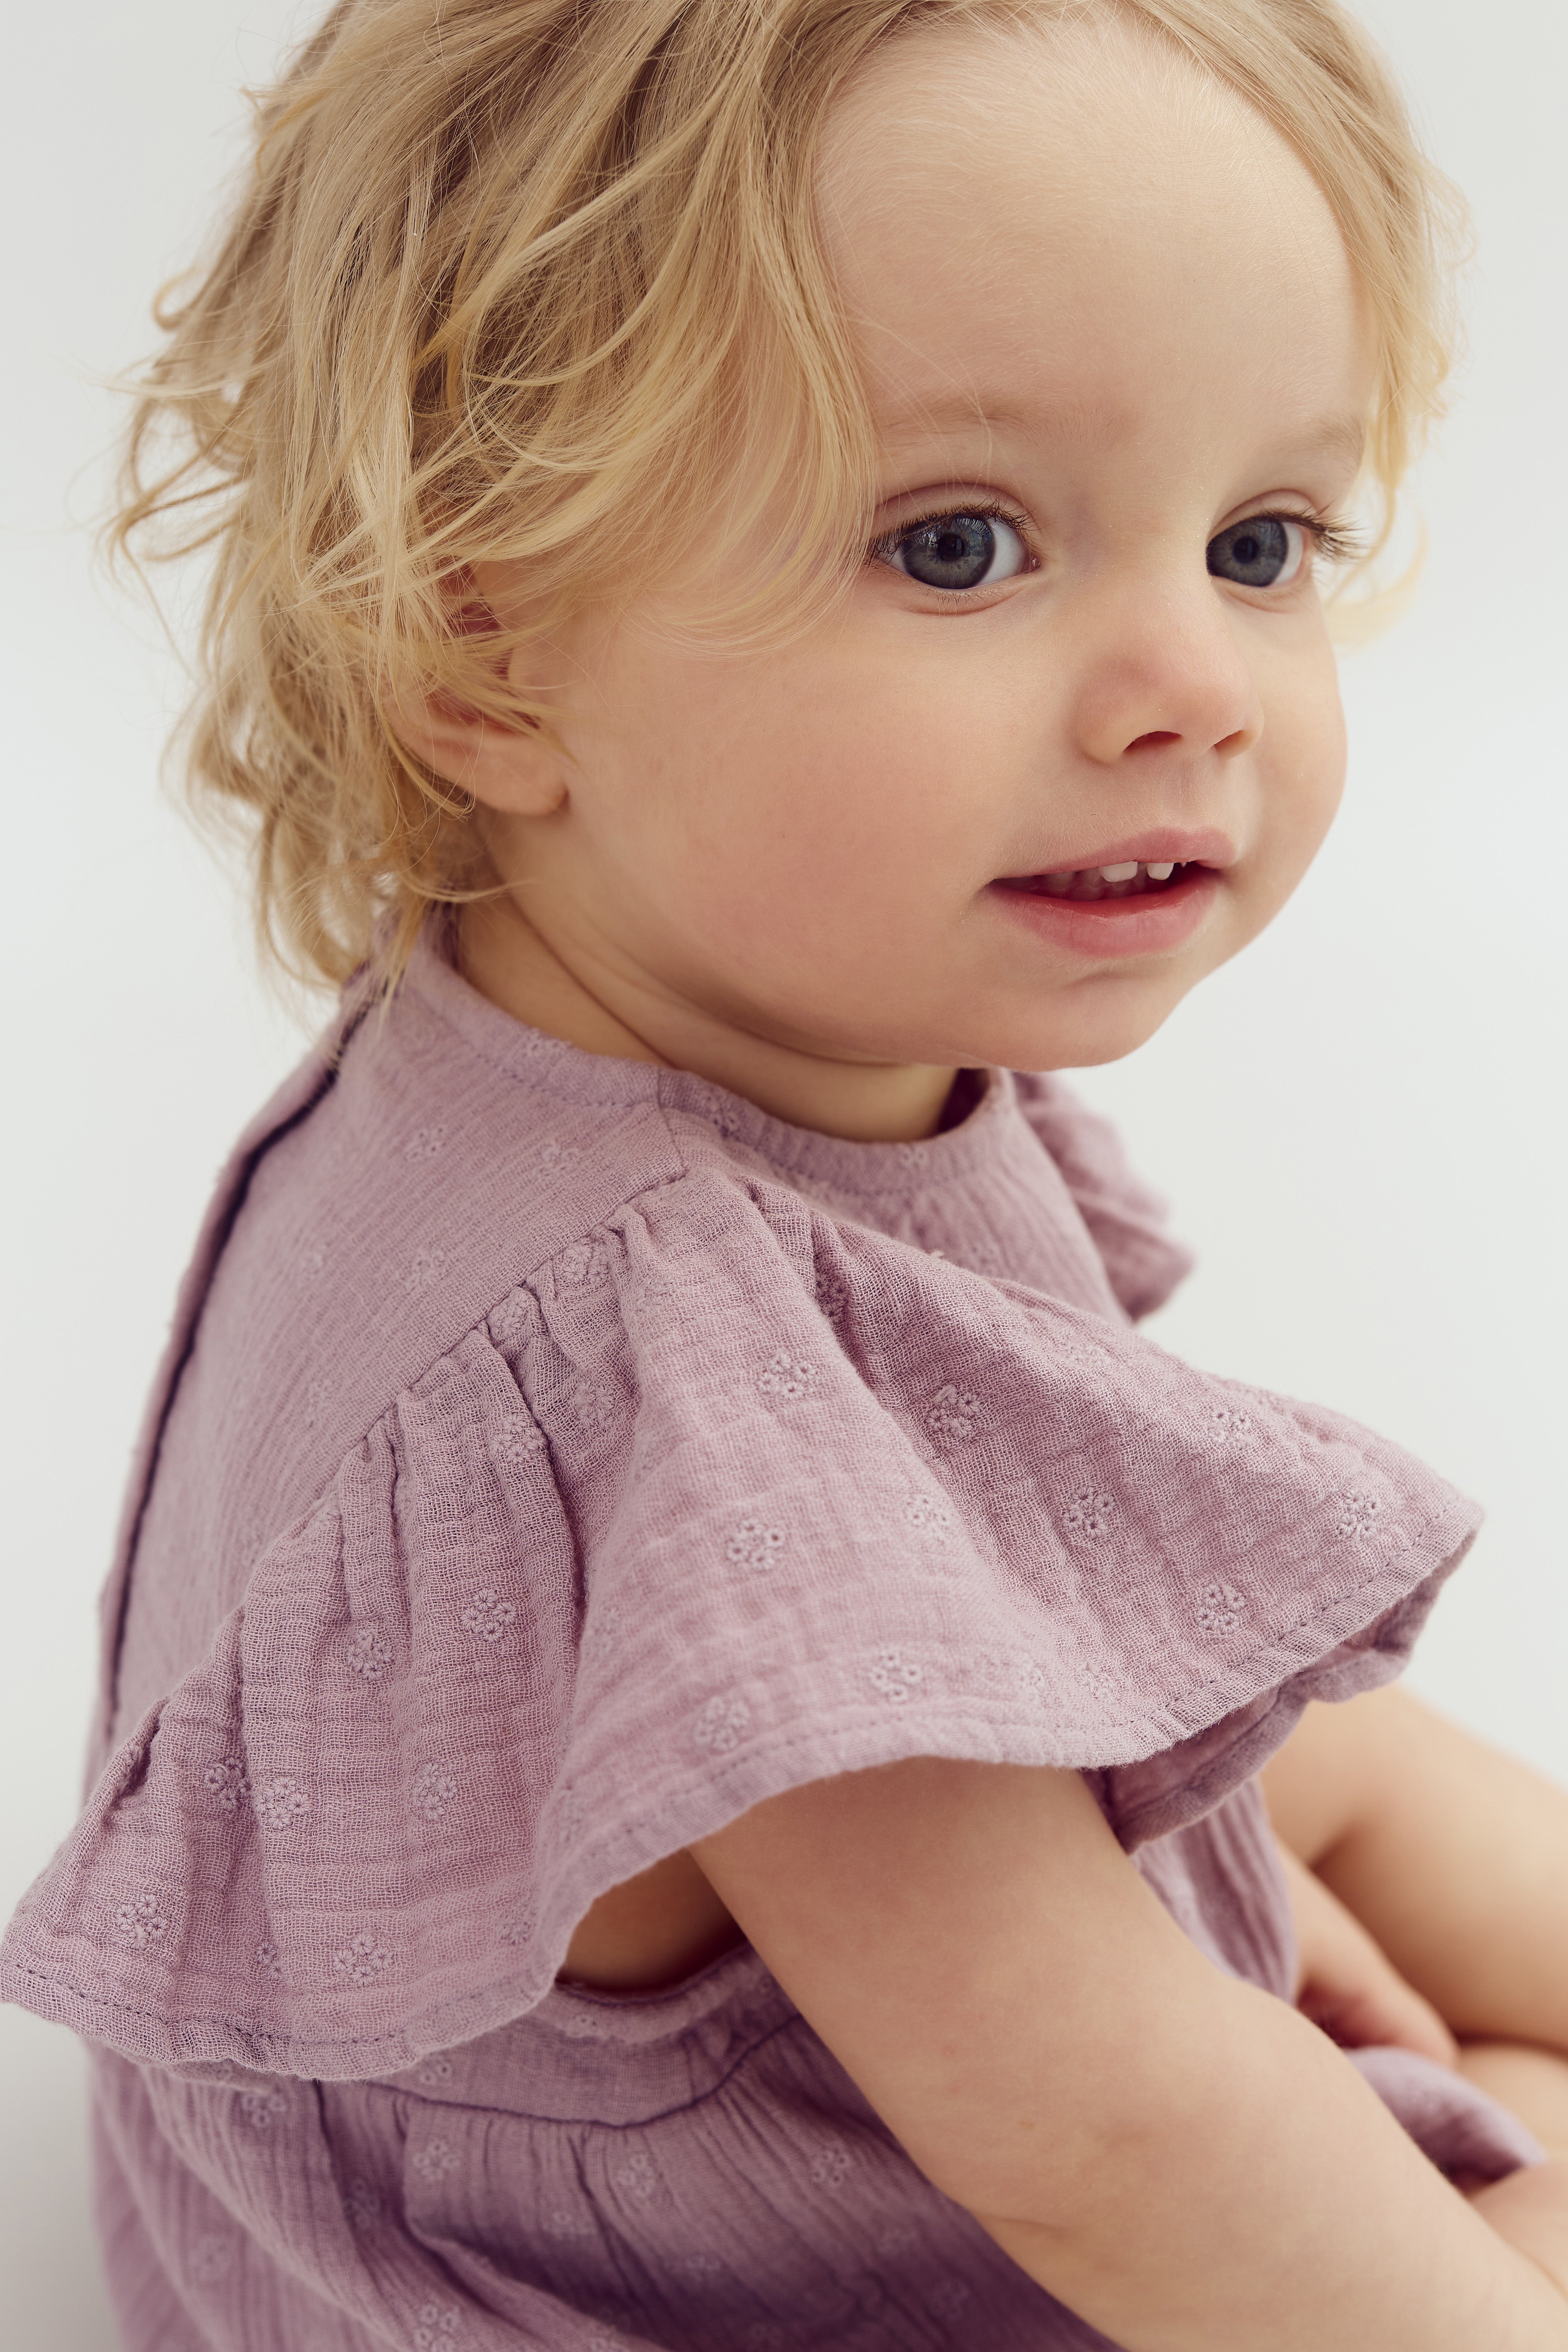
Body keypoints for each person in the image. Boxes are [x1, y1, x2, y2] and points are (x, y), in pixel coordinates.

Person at [7, 0, 1568, 2344]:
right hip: (619, 2270)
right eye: (961, 545)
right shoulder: (679, 1372)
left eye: (1264, 541)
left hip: (762, 1986)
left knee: (1344, 1755)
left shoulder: (682, 1007)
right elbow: (1107, 2138)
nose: (1194, 684)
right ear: (484, 643)